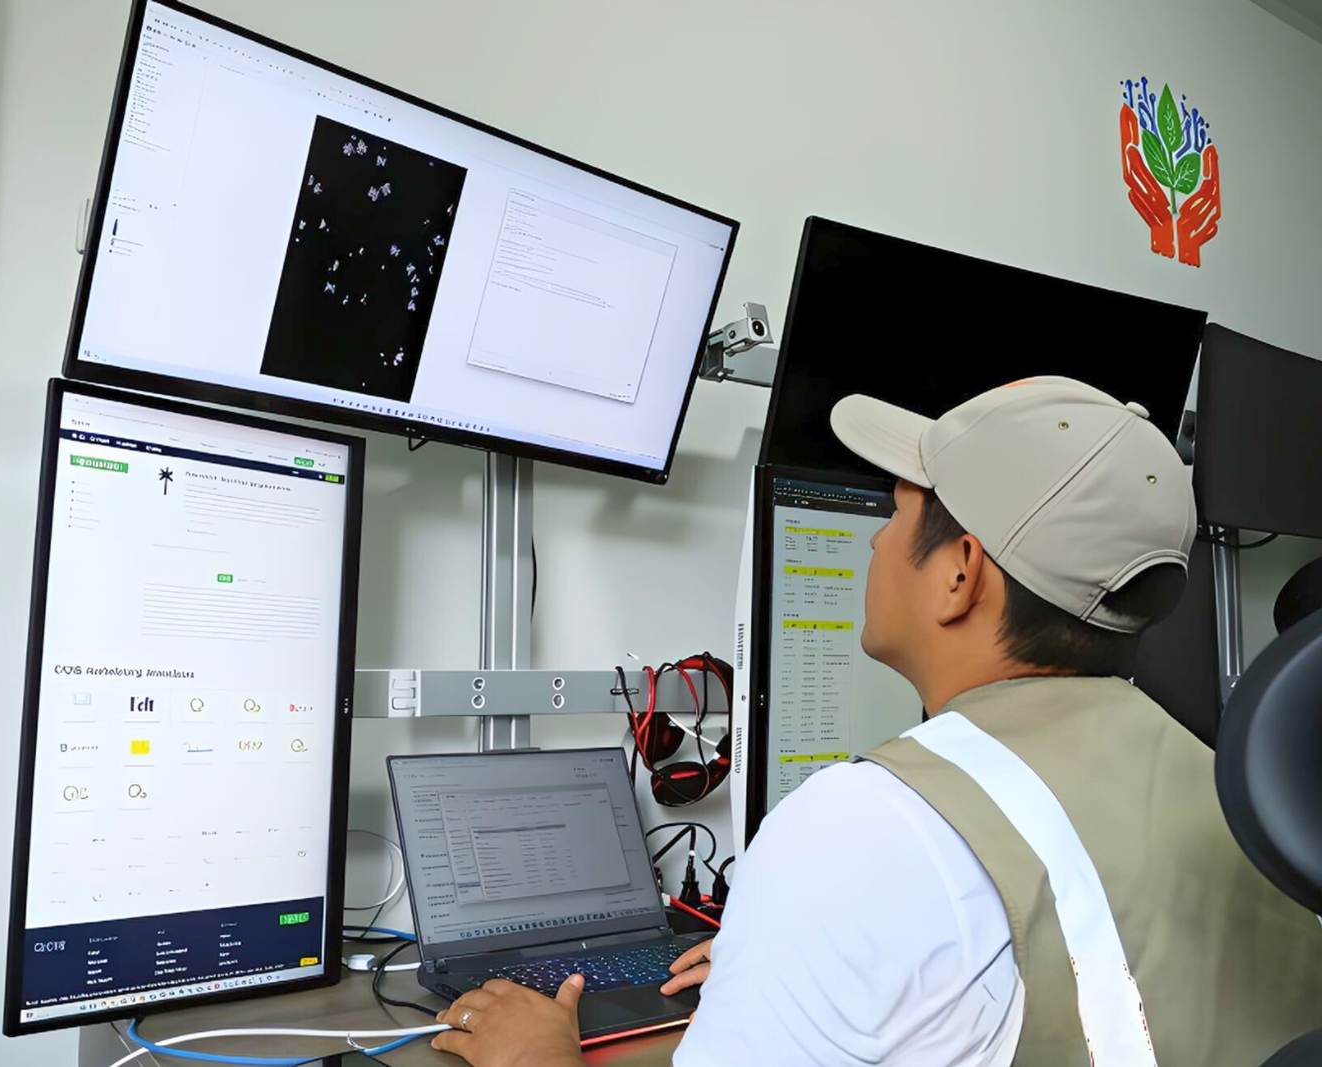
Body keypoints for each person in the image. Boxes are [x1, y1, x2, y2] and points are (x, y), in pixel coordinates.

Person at [428, 378, 1322, 1067]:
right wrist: (781, 959)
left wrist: (539, 1058)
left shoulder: (867, 823)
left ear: (960, 573)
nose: (875, 540)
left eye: (895, 512)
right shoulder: (1244, 787)